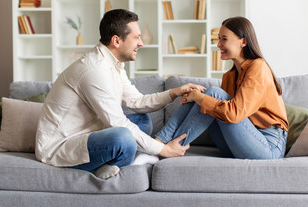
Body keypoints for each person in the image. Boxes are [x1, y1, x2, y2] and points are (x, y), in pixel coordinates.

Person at [35, 9, 204, 179]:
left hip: (91, 132)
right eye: (136, 37)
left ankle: (108, 163)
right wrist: (165, 150)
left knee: (143, 120)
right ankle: (112, 162)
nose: (141, 43)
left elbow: (137, 102)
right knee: (123, 137)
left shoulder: (113, 64)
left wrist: (174, 92)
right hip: (61, 145)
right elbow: (117, 122)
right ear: (116, 40)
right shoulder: (94, 70)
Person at [155, 16, 289, 160]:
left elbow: (234, 114)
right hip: (237, 142)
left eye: (224, 39)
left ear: (243, 41)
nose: (218, 44)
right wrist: (197, 97)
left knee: (211, 94)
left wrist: (199, 97)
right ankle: (159, 144)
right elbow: (220, 112)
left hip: (268, 146)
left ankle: (168, 149)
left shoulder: (258, 67)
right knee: (205, 98)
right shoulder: (229, 76)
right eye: (219, 39)